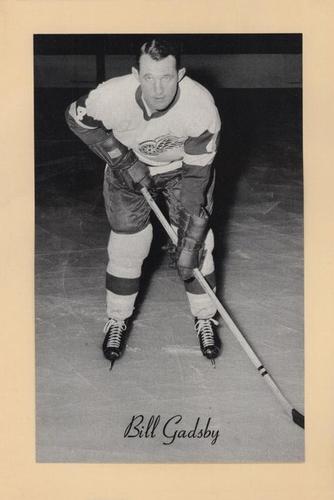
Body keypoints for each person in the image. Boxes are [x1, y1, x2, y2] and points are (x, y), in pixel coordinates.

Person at [65, 38, 222, 368]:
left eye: (166, 77)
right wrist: (120, 158)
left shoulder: (201, 107)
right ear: (136, 74)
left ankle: (205, 317)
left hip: (182, 171)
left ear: (180, 74)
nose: (158, 88)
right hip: (126, 171)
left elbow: (197, 180)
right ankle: (117, 319)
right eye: (149, 77)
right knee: (128, 245)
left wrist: (190, 240)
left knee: (198, 244)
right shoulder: (109, 96)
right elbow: (76, 118)